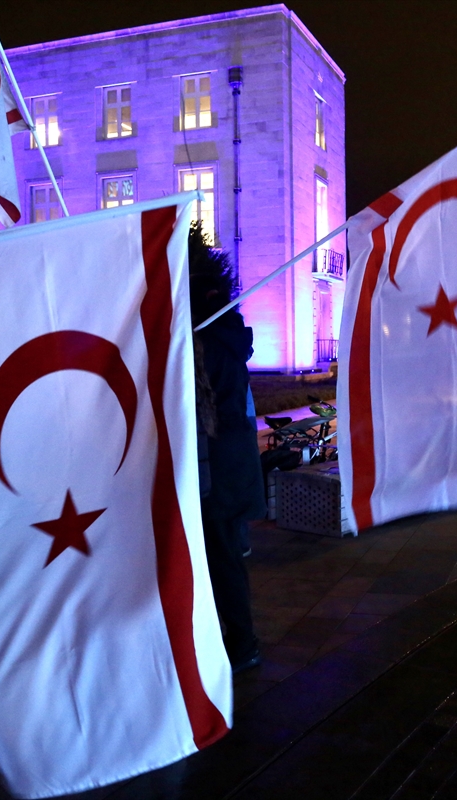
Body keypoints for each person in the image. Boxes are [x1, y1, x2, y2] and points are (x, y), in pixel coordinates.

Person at [191, 243, 266, 675]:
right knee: (226, 557)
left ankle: (240, 644)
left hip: (214, 469)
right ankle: (234, 640)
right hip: (232, 467)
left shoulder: (205, 347)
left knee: (221, 560)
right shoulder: (229, 341)